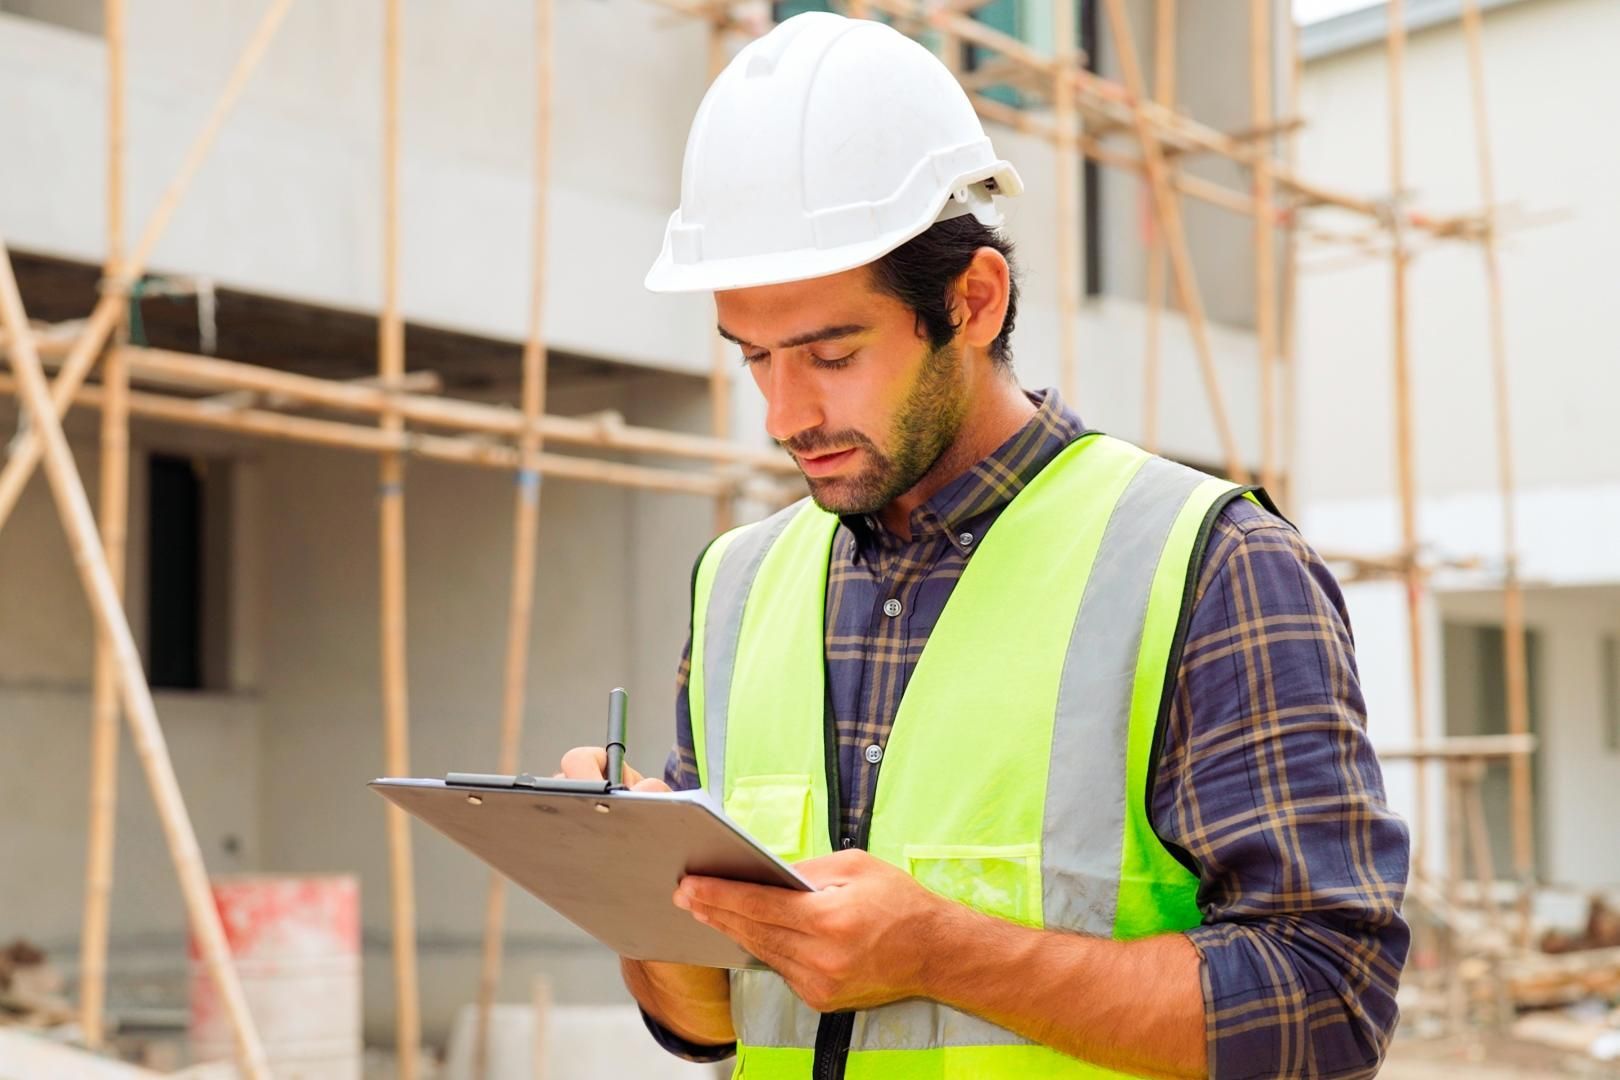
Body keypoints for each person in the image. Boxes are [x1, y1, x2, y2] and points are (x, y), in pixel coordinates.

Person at [555, 12, 1409, 1079]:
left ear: (972, 300)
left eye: (831, 354)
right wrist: (646, 890)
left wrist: (942, 952)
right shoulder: (736, 585)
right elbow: (713, 1024)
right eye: (755, 359)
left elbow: (1324, 1005)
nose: (784, 415)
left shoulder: (1208, 565)